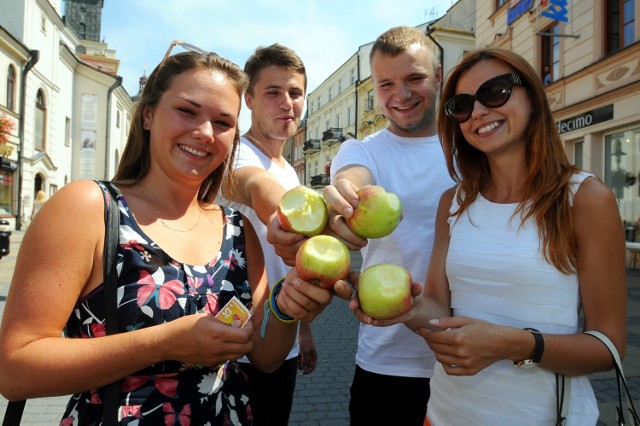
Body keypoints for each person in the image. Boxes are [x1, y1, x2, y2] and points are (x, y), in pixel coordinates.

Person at [0, 42, 348, 425]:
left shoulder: (237, 229)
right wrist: (164, 343)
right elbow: (16, 371)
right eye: (186, 111)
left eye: (222, 123)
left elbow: (264, 356)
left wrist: (287, 309)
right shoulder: (89, 208)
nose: (203, 132)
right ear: (148, 115)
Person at [360, 48, 627, 424]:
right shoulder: (452, 203)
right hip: (445, 413)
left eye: (496, 91)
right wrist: (399, 309)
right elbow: (437, 306)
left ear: (531, 97)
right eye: (462, 105)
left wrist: (515, 344)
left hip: (546, 417)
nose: (479, 111)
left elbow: (609, 347)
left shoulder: (584, 199)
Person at [320, 26, 454, 425]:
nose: (402, 94)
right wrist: (344, 198)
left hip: (469, 354)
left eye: (415, 78)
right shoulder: (362, 150)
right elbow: (352, 179)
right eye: (386, 84)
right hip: (389, 359)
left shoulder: (472, 149)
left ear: (439, 77)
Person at [216, 43, 317, 425]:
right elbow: (251, 184)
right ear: (249, 99)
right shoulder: (234, 153)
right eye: (273, 92)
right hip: (238, 345)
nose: (286, 103)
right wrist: (282, 213)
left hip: (282, 336)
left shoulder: (288, 168)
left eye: (295, 92)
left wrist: (304, 332)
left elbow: (295, 264)